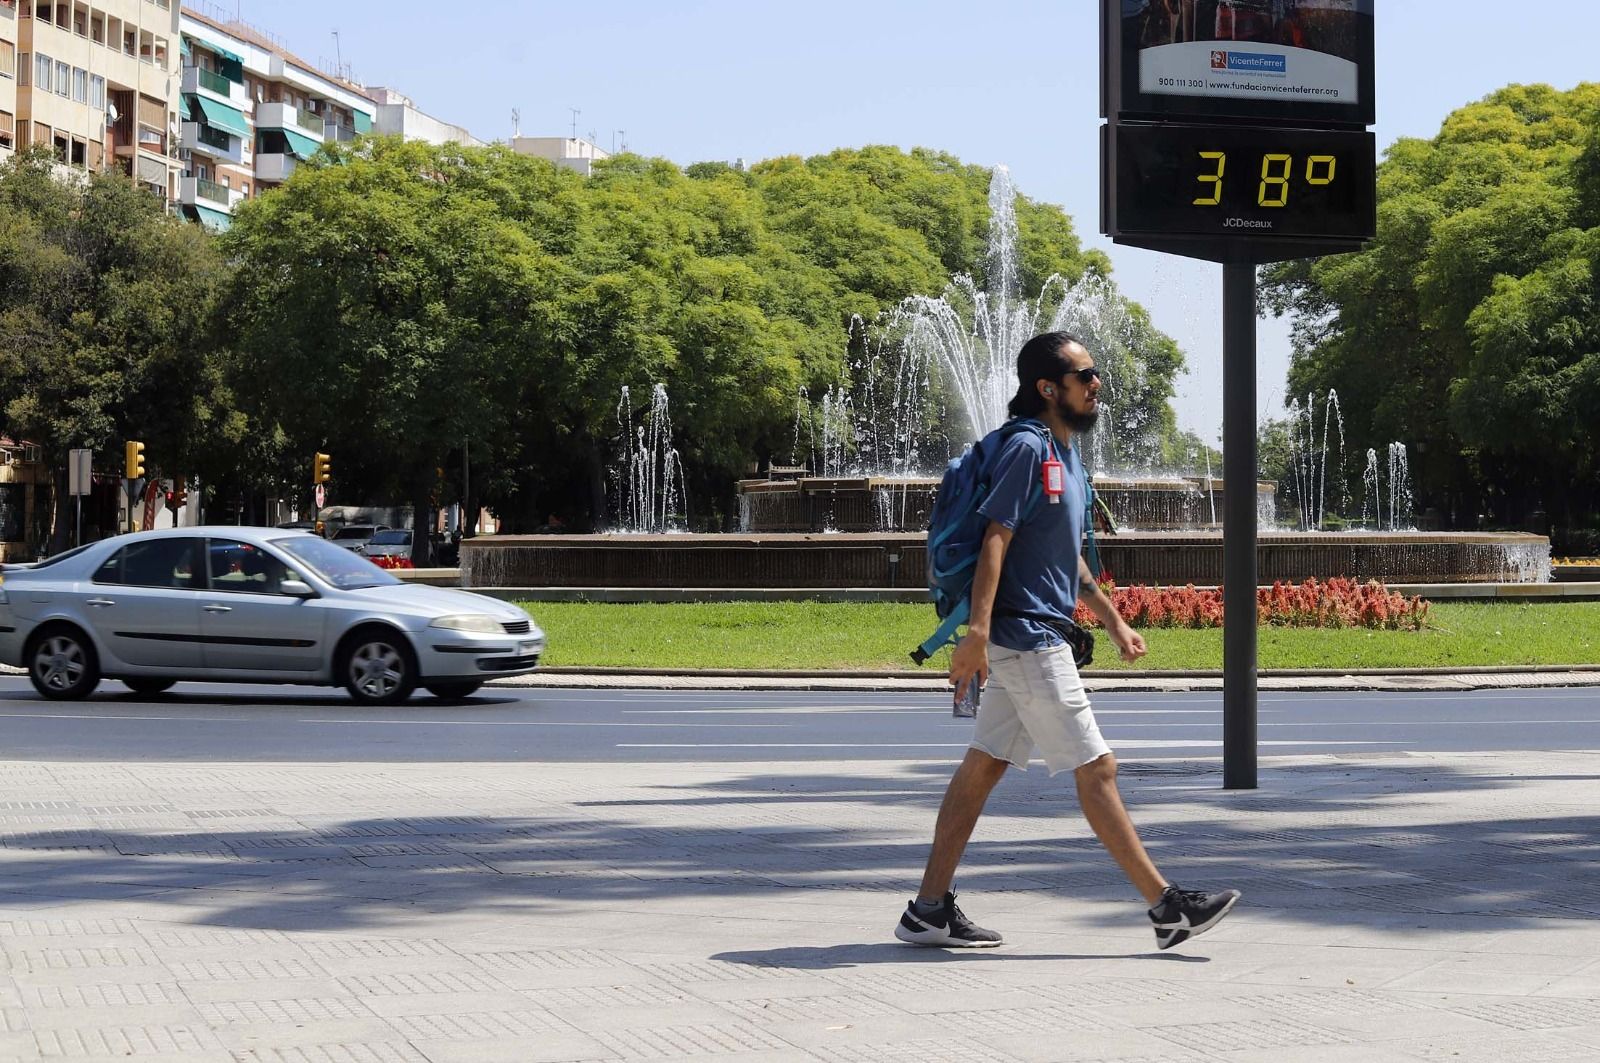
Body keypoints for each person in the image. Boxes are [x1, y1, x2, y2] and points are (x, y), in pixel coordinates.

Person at [895, 332, 1241, 951]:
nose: (1096, 383)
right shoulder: (1028, 449)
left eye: (1094, 372)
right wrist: (975, 635)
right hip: (1023, 636)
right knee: (1098, 768)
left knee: (984, 765)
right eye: (1086, 375)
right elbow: (995, 540)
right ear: (1048, 389)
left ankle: (928, 911)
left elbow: (1069, 559)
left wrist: (1111, 619)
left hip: (1035, 630)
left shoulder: (1066, 454)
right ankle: (1167, 908)